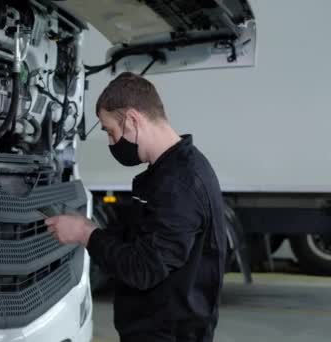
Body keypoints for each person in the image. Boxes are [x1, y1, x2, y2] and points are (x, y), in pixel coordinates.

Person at [45, 72, 226, 342]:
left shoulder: (180, 183)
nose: (110, 142)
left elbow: (144, 268)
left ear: (132, 120)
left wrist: (85, 234)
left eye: (110, 131)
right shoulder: (165, 172)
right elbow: (141, 241)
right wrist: (90, 227)